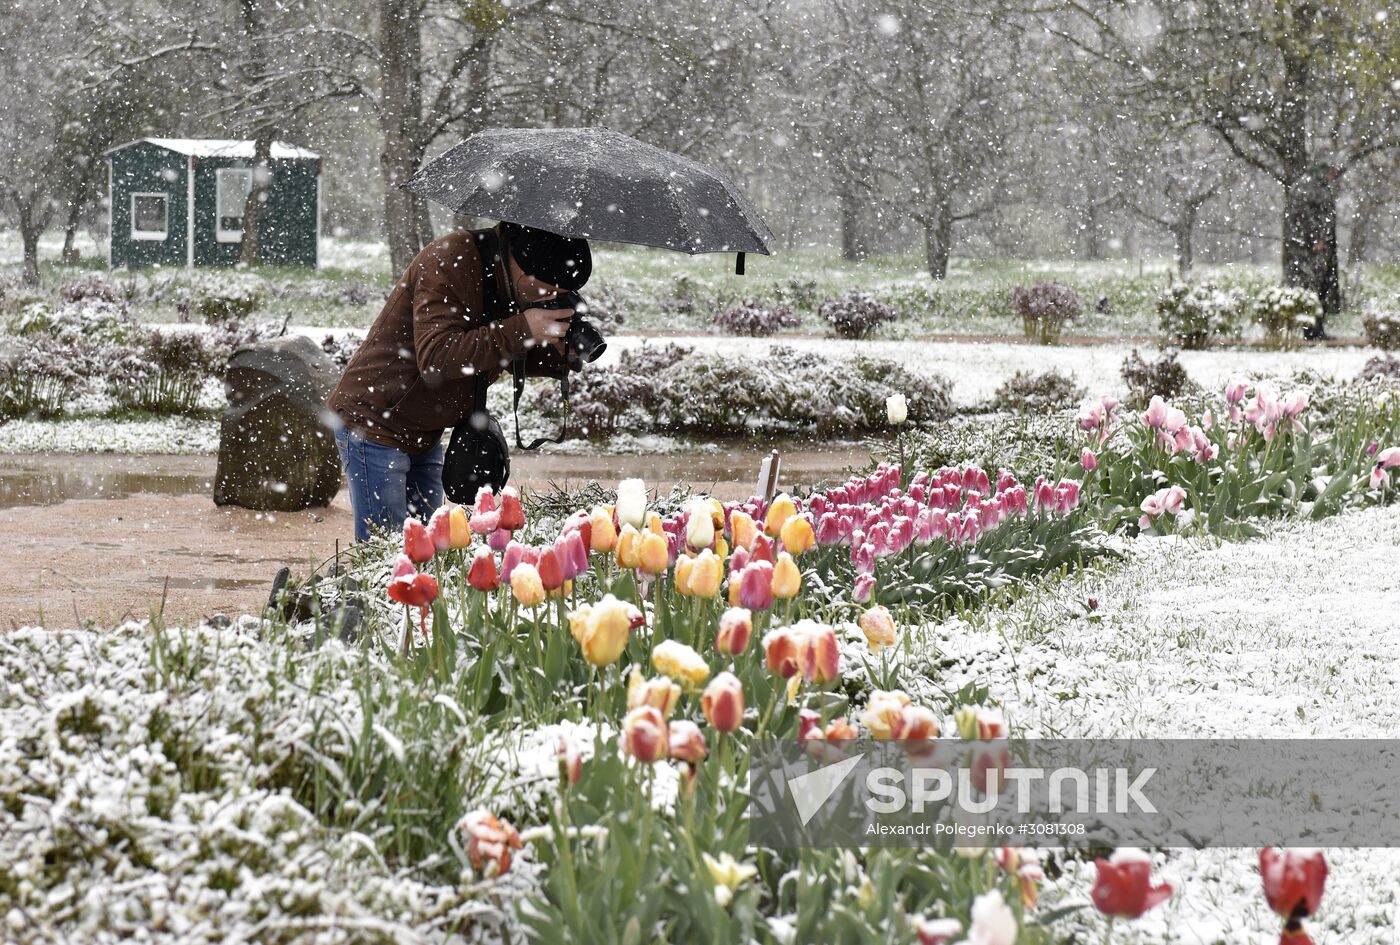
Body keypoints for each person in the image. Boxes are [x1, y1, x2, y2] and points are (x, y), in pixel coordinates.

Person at [328, 222, 591, 541]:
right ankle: (324, 592)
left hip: (424, 426)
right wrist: (522, 328)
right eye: (547, 290)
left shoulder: (511, 283)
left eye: (561, 297)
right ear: (519, 263)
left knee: (431, 551)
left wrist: (559, 350)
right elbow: (437, 359)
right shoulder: (450, 260)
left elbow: (495, 353)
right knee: (386, 555)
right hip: (375, 419)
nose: (549, 299)